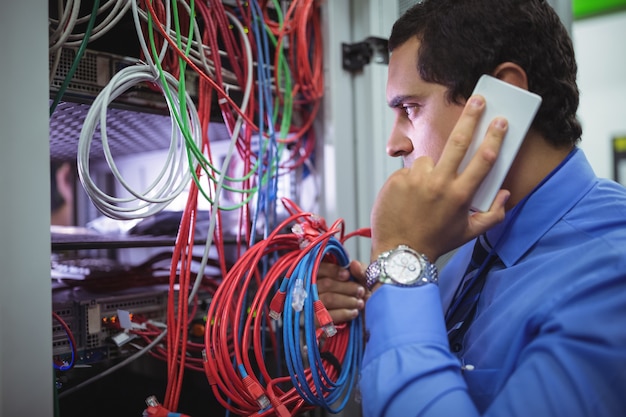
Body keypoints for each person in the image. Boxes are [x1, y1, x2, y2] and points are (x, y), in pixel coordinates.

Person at [317, 0, 626, 416]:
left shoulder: (611, 273)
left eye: (410, 109)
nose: (394, 144)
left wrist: (399, 260)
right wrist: (370, 312)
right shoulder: (467, 253)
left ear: (503, 101)